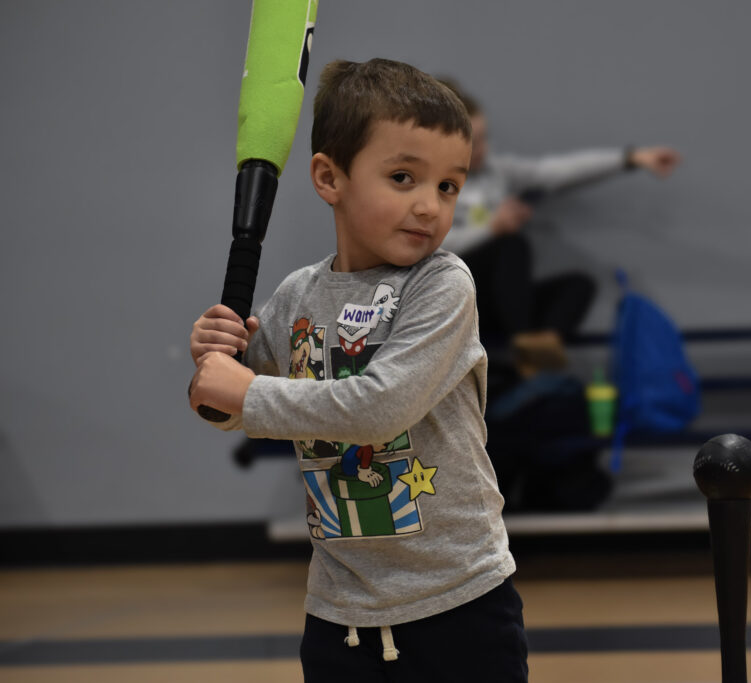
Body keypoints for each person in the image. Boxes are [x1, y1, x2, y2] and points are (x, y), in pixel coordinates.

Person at [188, 59, 527, 683]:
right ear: (329, 177)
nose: (430, 206)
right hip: (339, 611)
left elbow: (379, 408)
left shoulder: (441, 285)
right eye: (404, 177)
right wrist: (212, 362)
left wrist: (249, 393)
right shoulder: (295, 298)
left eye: (449, 186)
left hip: (460, 603)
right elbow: (228, 407)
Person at [439, 79, 681, 376]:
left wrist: (630, 159)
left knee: (580, 284)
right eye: (474, 141)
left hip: (499, 307)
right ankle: (525, 347)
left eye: (486, 138)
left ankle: (532, 354)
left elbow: (556, 171)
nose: (483, 149)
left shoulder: (495, 171)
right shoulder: (433, 184)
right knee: (512, 245)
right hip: (454, 303)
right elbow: (430, 248)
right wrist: (493, 227)